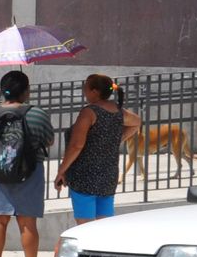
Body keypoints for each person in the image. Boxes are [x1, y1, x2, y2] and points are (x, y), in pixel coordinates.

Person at [0, 68, 56, 257]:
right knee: (28, 222)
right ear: (26, 91)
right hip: (30, 170)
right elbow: (49, 141)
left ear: (2, 91)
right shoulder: (38, 113)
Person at [55, 73, 142, 222]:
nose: (83, 90)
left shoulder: (89, 112)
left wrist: (61, 170)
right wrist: (116, 140)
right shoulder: (118, 110)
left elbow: (76, 145)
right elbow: (137, 122)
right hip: (108, 176)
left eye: (85, 87)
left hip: (84, 176)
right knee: (104, 226)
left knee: (85, 227)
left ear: (94, 91)